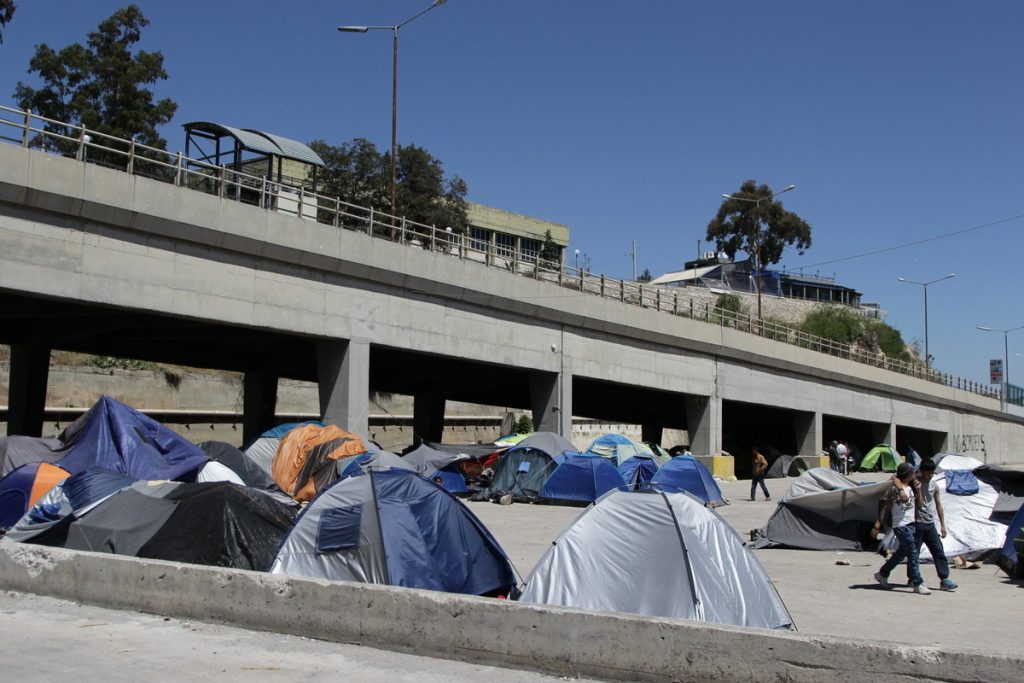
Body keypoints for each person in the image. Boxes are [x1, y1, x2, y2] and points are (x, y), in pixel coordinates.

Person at [874, 463, 931, 594]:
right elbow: (886, 506)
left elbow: (920, 506)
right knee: (913, 553)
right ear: (907, 474)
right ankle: (918, 583)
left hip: (911, 524)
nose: (914, 475)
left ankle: (883, 573)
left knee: (902, 553)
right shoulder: (895, 489)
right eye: (912, 473)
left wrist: (918, 490)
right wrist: (878, 524)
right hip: (901, 525)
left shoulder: (911, 487)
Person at [916, 459, 957, 591]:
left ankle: (944, 579)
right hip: (916, 524)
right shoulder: (915, 483)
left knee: (938, 551)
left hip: (929, 523)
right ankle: (913, 578)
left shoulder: (934, 485)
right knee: (913, 554)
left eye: (932, 473)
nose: (930, 475)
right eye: (928, 473)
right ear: (922, 472)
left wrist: (943, 525)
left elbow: (938, 505)